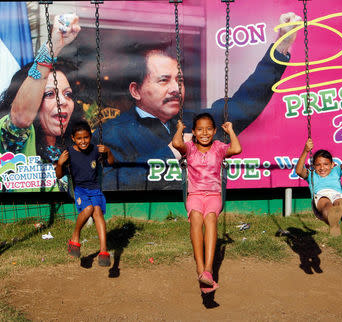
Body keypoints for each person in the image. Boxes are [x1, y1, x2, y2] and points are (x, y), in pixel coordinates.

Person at [100, 12, 301, 190]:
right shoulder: (113, 132)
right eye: (164, 80)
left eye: (179, 80)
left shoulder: (196, 122)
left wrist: (282, 46)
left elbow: (245, 103)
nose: (175, 89)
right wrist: (171, 153)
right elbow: (106, 181)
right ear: (136, 91)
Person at [0, 14, 81, 191]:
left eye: (68, 94)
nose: (63, 102)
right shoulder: (11, 139)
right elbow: (21, 117)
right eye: (50, 94)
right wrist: (54, 46)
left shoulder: (72, 151)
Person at [172, 112, 242, 293]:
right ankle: (200, 268)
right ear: (194, 132)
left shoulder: (218, 147)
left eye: (209, 129)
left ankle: (209, 270)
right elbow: (176, 144)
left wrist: (231, 131)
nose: (205, 133)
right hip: (194, 194)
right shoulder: (190, 148)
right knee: (196, 218)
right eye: (200, 129)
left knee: (210, 219)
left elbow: (236, 149)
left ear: (215, 131)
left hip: (213, 196)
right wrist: (180, 129)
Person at [56, 120, 115, 266]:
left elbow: (112, 163)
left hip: (95, 188)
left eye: (86, 137)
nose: (83, 141)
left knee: (98, 213)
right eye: (79, 138)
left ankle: (103, 251)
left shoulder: (95, 150)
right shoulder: (68, 153)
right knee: (88, 209)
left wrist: (108, 152)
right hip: (80, 189)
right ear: (73, 138)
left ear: (90, 136)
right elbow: (58, 175)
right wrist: (60, 163)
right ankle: (75, 236)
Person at [295, 130, 342, 236]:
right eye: (318, 165)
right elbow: (299, 171)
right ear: (313, 166)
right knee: (326, 204)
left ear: (332, 164)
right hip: (321, 195)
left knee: (339, 201)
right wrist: (305, 151)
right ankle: (333, 221)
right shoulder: (311, 175)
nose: (322, 168)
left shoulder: (336, 170)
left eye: (326, 164)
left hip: (337, 194)